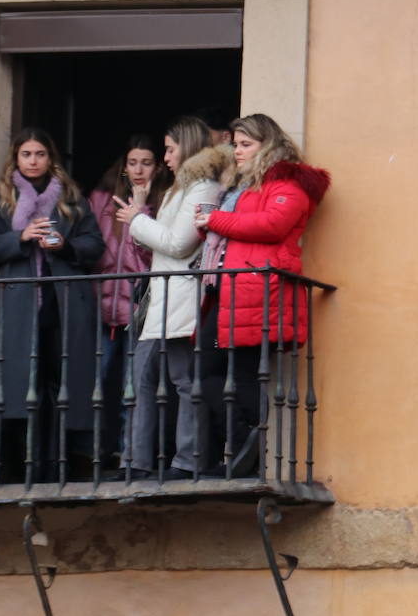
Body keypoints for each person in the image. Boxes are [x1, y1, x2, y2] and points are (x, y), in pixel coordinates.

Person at [193, 114, 330, 478]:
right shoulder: (247, 184)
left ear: (267, 144)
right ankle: (244, 448)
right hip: (232, 288)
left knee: (243, 374)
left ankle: (245, 453)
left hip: (259, 289)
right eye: (235, 144)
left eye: (245, 144)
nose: (237, 151)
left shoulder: (288, 181)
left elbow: (273, 225)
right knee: (208, 371)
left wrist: (216, 221)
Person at [0, 128, 104, 483]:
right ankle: (15, 469)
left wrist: (64, 244)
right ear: (15, 158)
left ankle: (56, 465)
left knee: (58, 381)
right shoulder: (0, 198)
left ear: (51, 158)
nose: (33, 161)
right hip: (16, 305)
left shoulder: (72, 197)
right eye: (26, 154)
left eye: (40, 154)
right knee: (16, 383)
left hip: (61, 304)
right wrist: (20, 237)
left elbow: (95, 244)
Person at [112, 116, 233, 479]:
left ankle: (188, 460)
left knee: (182, 381)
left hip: (182, 297)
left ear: (189, 145)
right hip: (162, 297)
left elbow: (179, 244)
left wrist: (136, 219)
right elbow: (161, 242)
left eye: (169, 148)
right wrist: (140, 209)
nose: (165, 157)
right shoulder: (181, 188)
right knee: (142, 379)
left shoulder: (202, 188)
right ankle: (135, 461)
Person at [88, 135, 171, 463]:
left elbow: (155, 257)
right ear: (124, 166)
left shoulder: (165, 202)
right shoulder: (100, 201)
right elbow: (91, 249)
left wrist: (142, 214)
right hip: (102, 306)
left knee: (131, 386)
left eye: (146, 163)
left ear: (158, 166)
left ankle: (128, 453)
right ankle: (94, 451)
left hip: (141, 308)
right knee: (99, 380)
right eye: (133, 162)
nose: (139, 170)